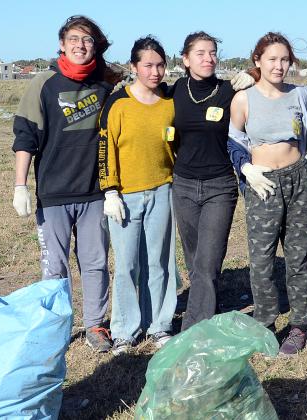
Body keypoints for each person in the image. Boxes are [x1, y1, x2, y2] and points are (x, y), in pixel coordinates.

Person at [11, 15, 119, 353]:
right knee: (54, 267)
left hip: (94, 194)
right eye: (73, 38)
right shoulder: (43, 84)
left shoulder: (105, 82)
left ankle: (96, 325)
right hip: (54, 194)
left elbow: (150, 83)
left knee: (95, 262)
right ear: (62, 44)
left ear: (95, 46)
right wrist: (20, 186)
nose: (80, 45)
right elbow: (25, 136)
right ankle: (56, 326)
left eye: (87, 40)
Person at [228, 32, 307, 356]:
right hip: (263, 184)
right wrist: (247, 169)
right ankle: (265, 323)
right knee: (262, 259)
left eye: (284, 60)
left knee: (300, 255)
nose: (279, 66)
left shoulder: (302, 94)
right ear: (258, 61)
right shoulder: (243, 99)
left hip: (300, 182)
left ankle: (298, 325)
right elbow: (234, 139)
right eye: (272, 59)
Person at [98, 36, 178, 354]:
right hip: (125, 196)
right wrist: (110, 190)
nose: (155, 71)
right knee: (127, 264)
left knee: (159, 262)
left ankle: (159, 325)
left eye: (160, 65)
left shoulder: (171, 101)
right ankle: (124, 330)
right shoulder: (118, 103)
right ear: (134, 67)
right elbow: (106, 148)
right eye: (148, 65)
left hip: (163, 190)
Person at [168, 32, 240, 331]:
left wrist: (250, 77)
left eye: (212, 53)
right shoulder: (172, 92)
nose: (208, 58)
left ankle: (195, 331)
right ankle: (211, 307)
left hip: (219, 186)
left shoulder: (230, 91)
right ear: (185, 59)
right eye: (200, 53)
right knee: (195, 260)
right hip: (183, 184)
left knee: (207, 260)